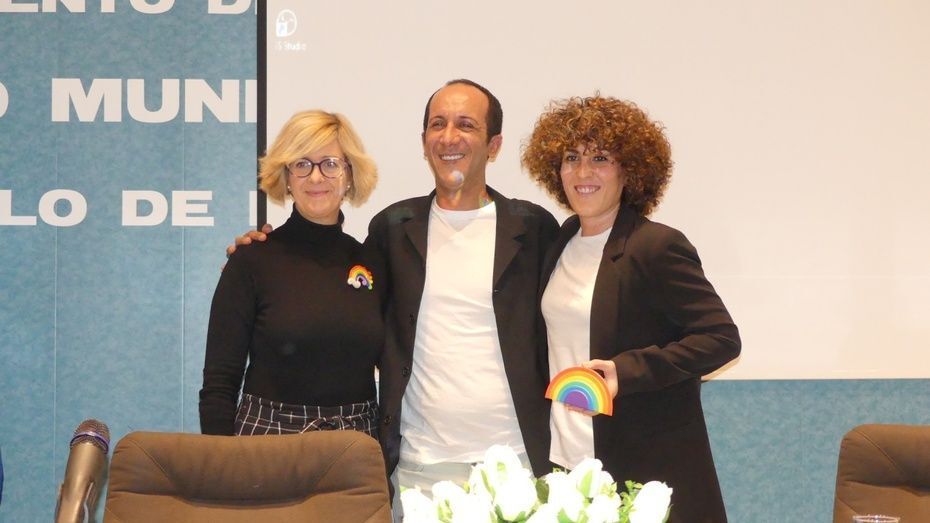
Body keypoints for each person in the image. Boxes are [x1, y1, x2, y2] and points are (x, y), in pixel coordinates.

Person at [229, 80, 560, 501]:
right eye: (437, 124)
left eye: (466, 125)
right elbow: (329, 298)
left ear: (493, 145)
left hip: (518, 466)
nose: (449, 137)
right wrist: (257, 255)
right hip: (419, 468)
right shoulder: (392, 229)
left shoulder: (534, 229)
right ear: (424, 142)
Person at [521, 95, 741, 522]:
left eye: (600, 158)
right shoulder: (560, 243)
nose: (583, 172)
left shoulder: (656, 246)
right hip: (567, 468)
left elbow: (721, 339)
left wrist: (625, 372)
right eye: (571, 158)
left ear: (630, 170)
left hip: (641, 471)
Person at [199, 109, 384, 439]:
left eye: (330, 164)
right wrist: (221, 463)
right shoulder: (251, 260)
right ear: (286, 176)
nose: (315, 177)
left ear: (350, 174)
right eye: (302, 164)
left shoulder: (374, 263)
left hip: (357, 441)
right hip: (266, 442)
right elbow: (219, 383)